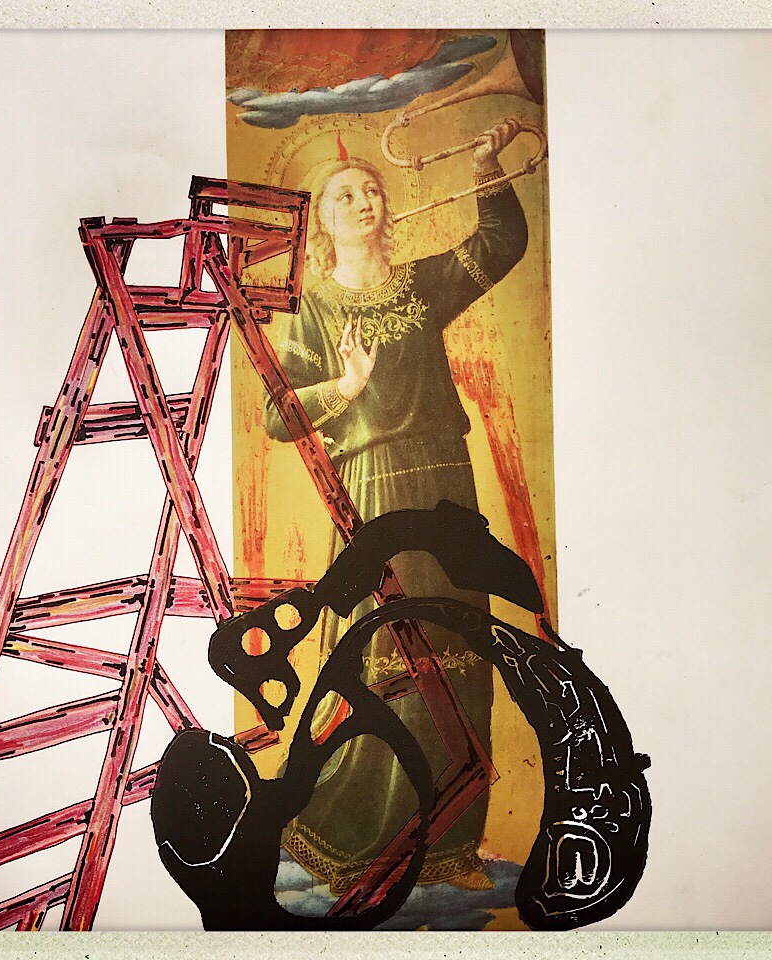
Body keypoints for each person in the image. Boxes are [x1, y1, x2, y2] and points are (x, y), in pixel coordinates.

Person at [263, 121, 529, 895]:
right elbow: (279, 416)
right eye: (344, 195)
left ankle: (450, 847)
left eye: (371, 189)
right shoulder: (311, 309)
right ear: (322, 220)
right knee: (391, 663)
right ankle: (358, 844)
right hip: (375, 485)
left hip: (445, 479)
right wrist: (345, 388)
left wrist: (484, 161)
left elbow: (500, 244)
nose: (363, 201)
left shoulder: (419, 284)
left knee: (462, 653)